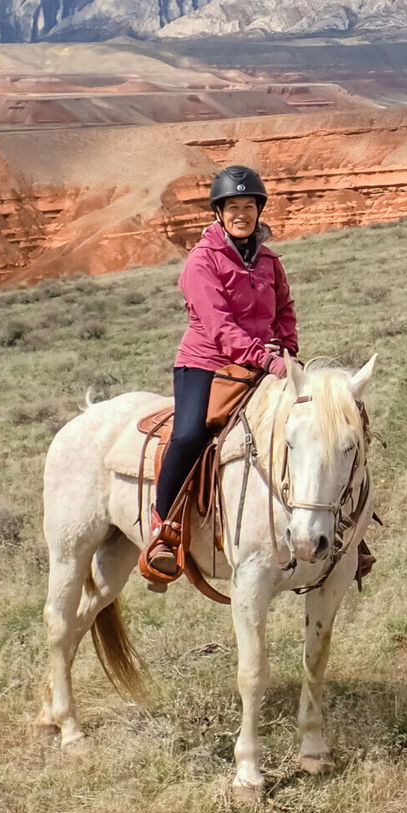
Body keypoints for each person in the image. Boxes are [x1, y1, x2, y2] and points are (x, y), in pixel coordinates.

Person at [145, 164, 298, 578]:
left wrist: (288, 348)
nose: (241, 214)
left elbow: (284, 308)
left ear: (259, 210)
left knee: (304, 424)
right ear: (219, 213)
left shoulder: (267, 259)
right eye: (233, 206)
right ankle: (164, 527)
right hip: (207, 363)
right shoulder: (201, 261)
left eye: (249, 205)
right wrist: (266, 359)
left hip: (259, 361)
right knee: (191, 432)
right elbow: (219, 327)